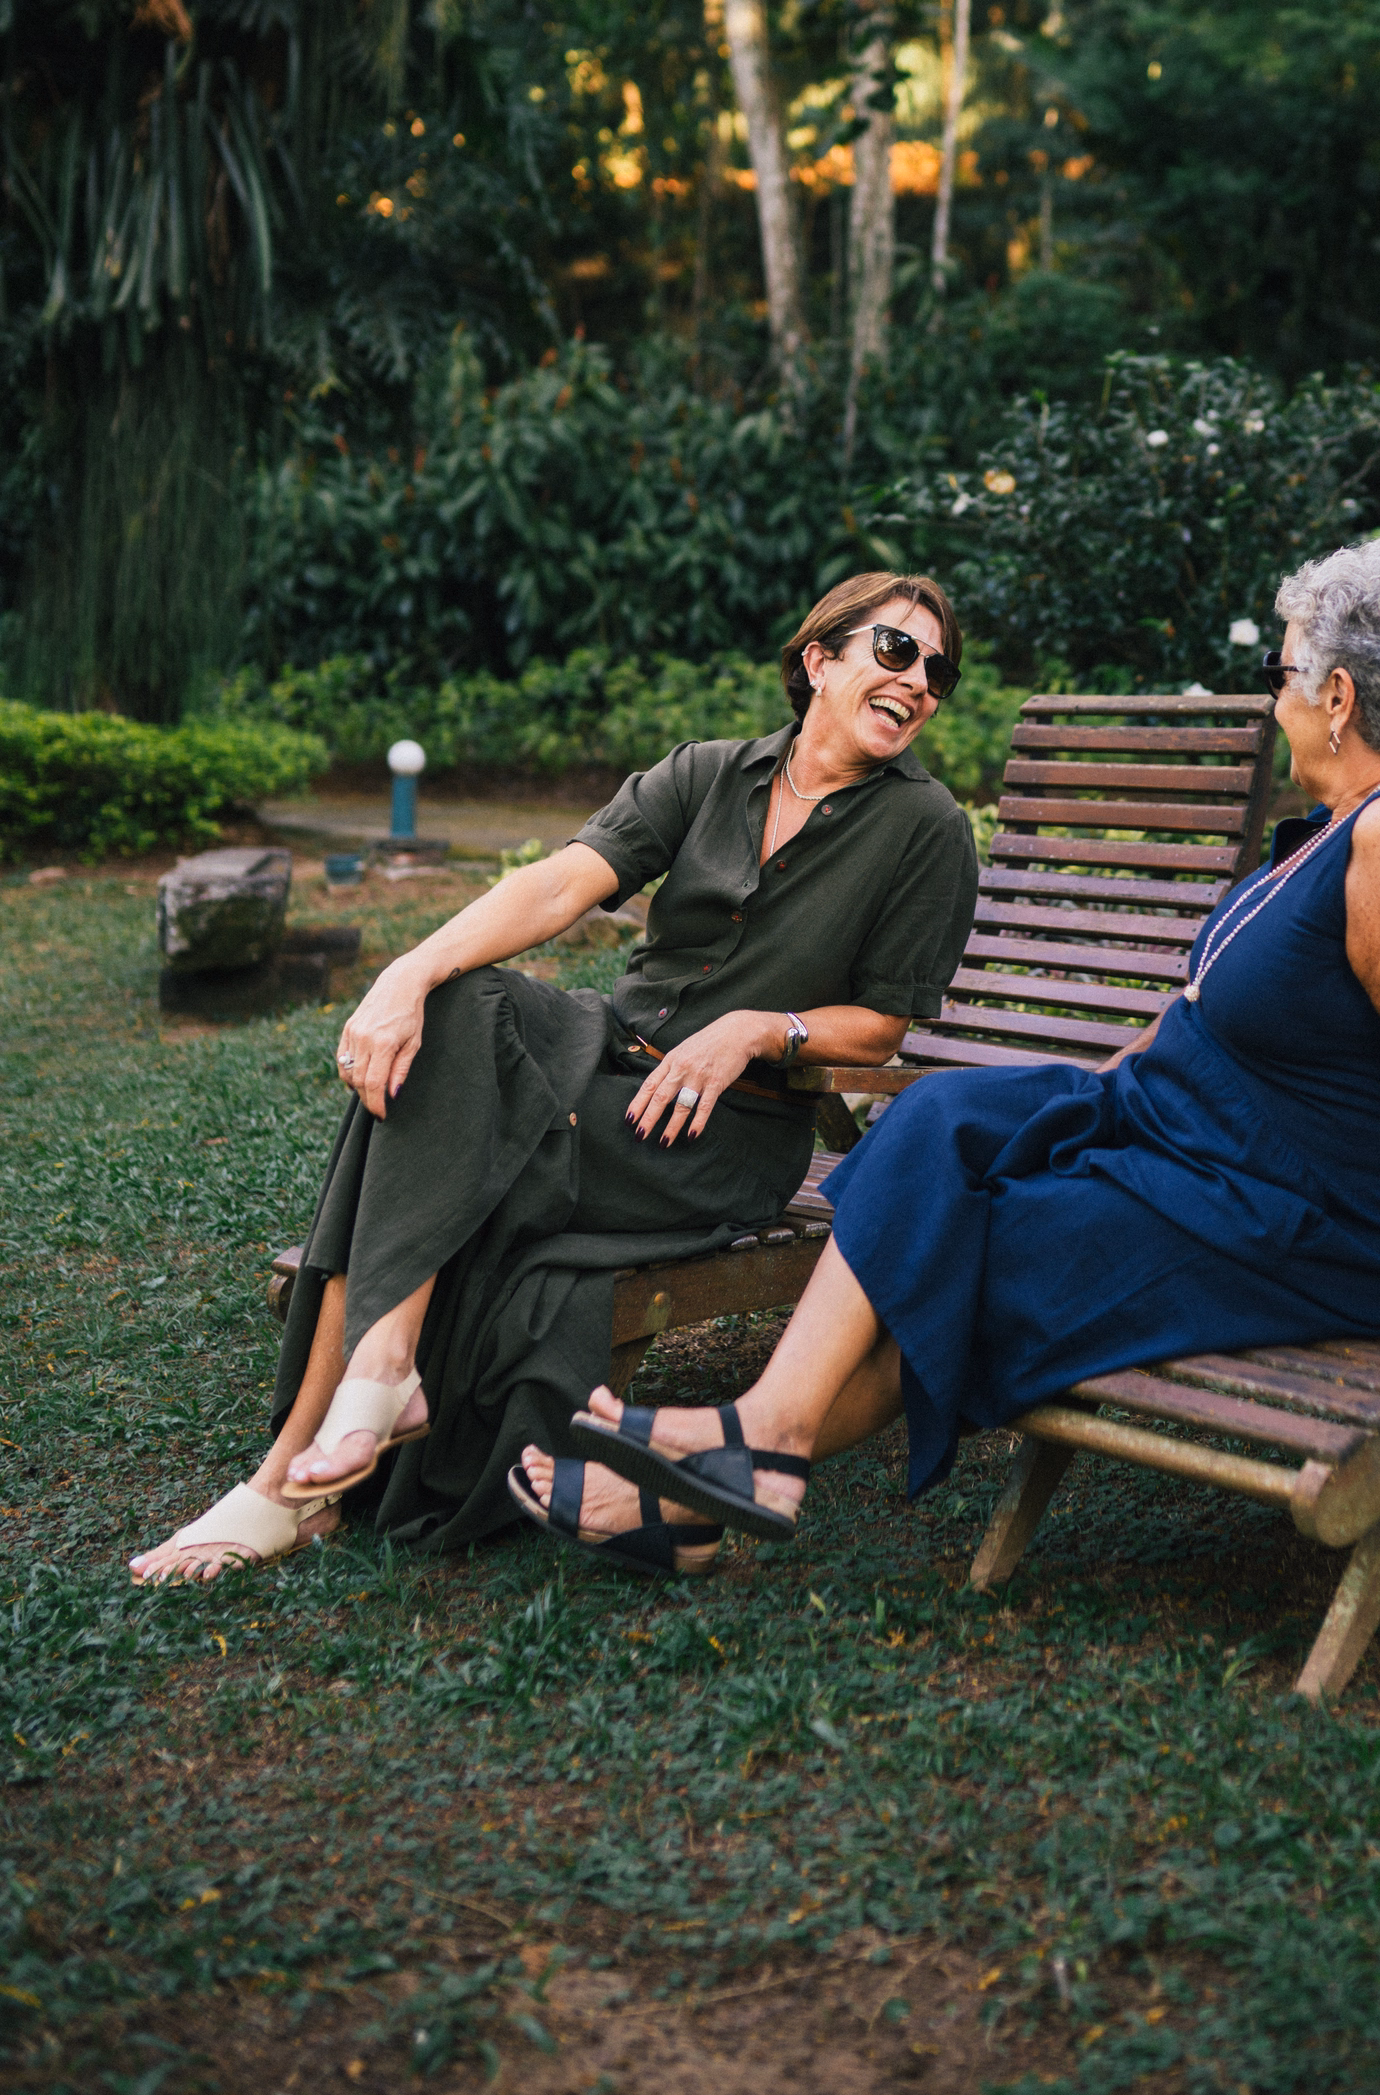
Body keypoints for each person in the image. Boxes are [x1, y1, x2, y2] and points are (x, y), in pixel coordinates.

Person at [528, 538, 1380, 1550]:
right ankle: (759, 1439)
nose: (1272, 695)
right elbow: (1218, 1010)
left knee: (997, 1235)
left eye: (1282, 669)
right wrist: (1087, 1100)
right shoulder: (1345, 826)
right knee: (939, 1112)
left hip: (1305, 1216)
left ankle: (737, 1458)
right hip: (1183, 1136)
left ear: (1337, 697)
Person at [130, 574, 980, 1583]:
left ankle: (285, 1483)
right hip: (603, 1059)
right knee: (454, 1002)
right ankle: (379, 1376)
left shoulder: (925, 828)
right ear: (819, 658)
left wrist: (761, 1027)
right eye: (895, 650)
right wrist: (406, 970)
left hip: (723, 1131)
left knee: (432, 1126)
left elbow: (883, 1021)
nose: (919, 680)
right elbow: (559, 881)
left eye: (937, 670)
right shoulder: (710, 773)